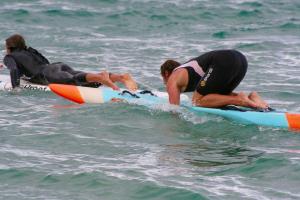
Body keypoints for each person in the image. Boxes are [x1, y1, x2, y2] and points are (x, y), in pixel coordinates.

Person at [3, 34, 138, 91]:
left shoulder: (10, 57)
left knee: (74, 80)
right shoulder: (29, 51)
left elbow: (14, 70)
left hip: (47, 74)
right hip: (57, 66)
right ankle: (121, 77)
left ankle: (101, 77)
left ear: (9, 48)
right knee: (80, 77)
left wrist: (16, 88)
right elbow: (41, 62)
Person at [160, 49, 268, 109]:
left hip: (224, 60)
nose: (165, 83)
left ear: (166, 74)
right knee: (217, 97)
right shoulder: (185, 72)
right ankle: (252, 97)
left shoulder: (172, 78)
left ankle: (239, 99)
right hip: (241, 59)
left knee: (197, 101)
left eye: (163, 79)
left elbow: (174, 109)